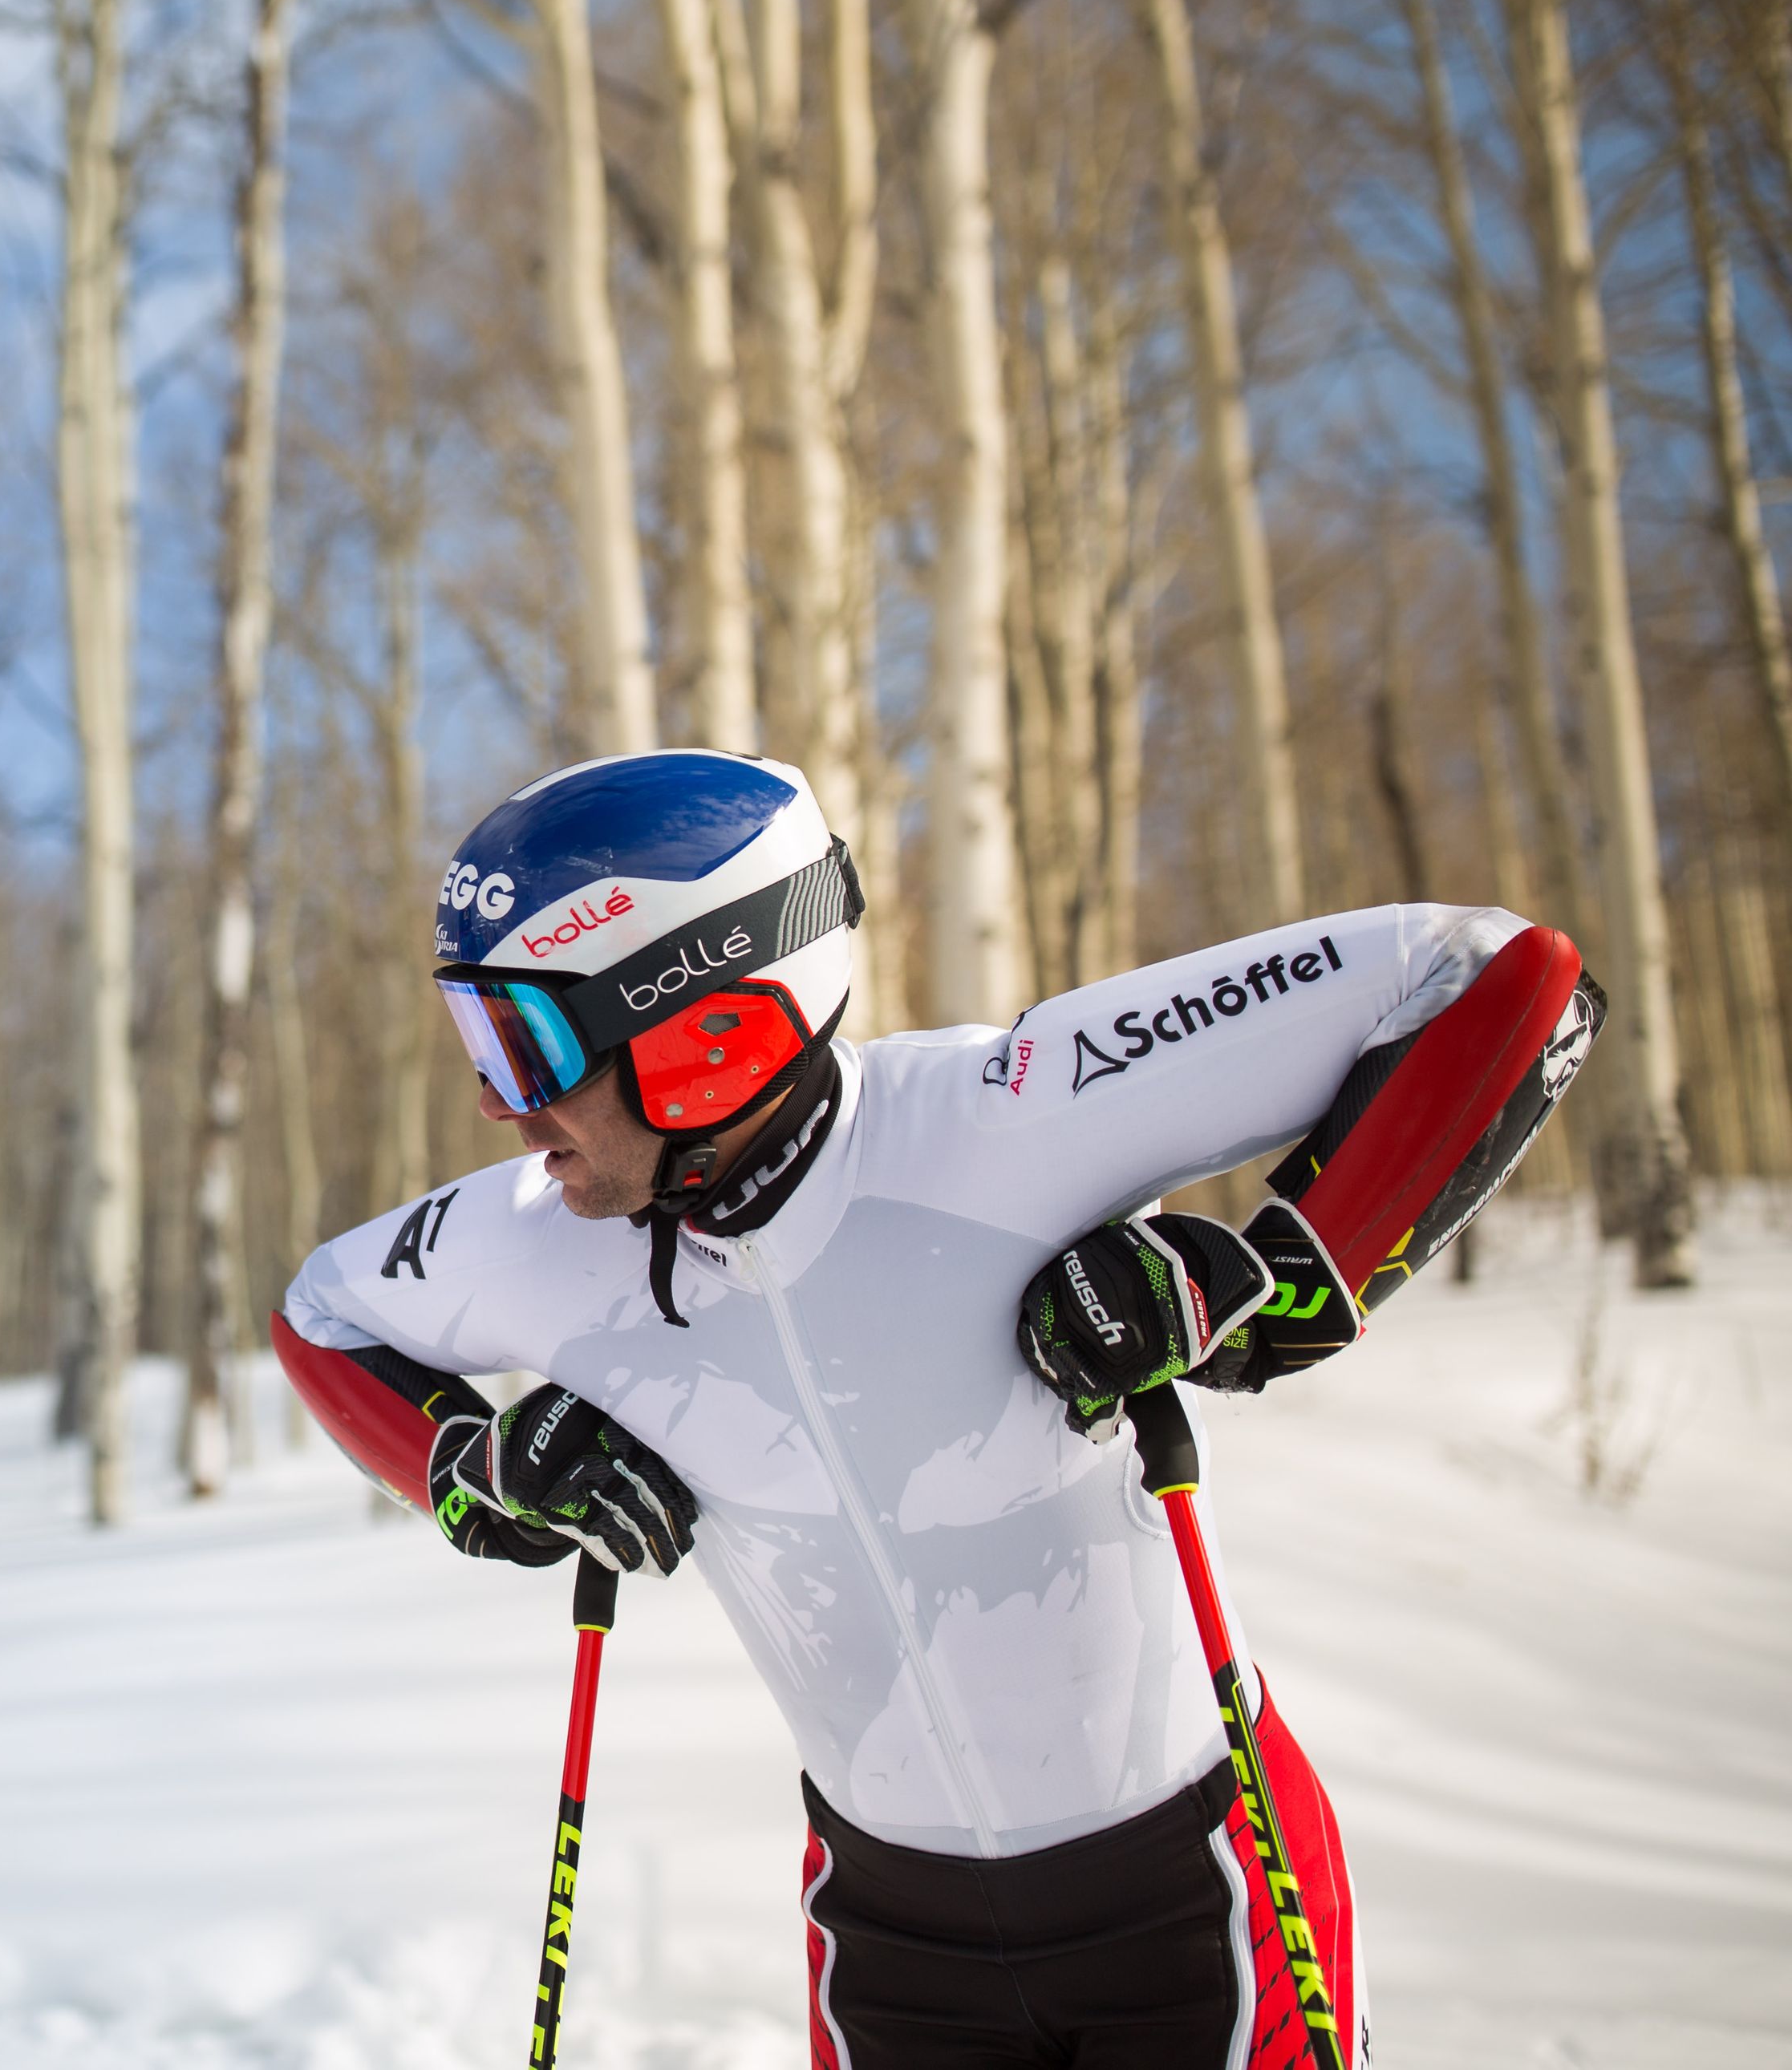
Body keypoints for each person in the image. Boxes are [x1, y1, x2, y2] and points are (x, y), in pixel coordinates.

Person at [273, 749, 1598, 2070]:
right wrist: (477, 1470)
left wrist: (1269, 1288)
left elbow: (1503, 978)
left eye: (528, 1046)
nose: (502, 1108)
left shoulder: (1010, 1113)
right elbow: (318, 1315)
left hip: (1199, 1890)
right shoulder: (533, 1239)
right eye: (480, 1046)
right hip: (889, 1942)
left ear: (701, 1025)